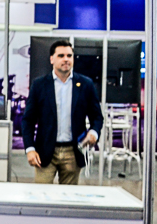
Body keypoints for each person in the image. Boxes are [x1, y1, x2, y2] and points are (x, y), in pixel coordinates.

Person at [21, 40, 103, 185]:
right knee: (41, 194)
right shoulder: (39, 85)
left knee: (69, 197)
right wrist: (29, 148)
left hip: (73, 152)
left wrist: (94, 132)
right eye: (61, 56)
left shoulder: (85, 85)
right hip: (44, 152)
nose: (66, 59)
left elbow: (97, 116)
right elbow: (28, 120)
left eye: (69, 56)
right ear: (51, 59)